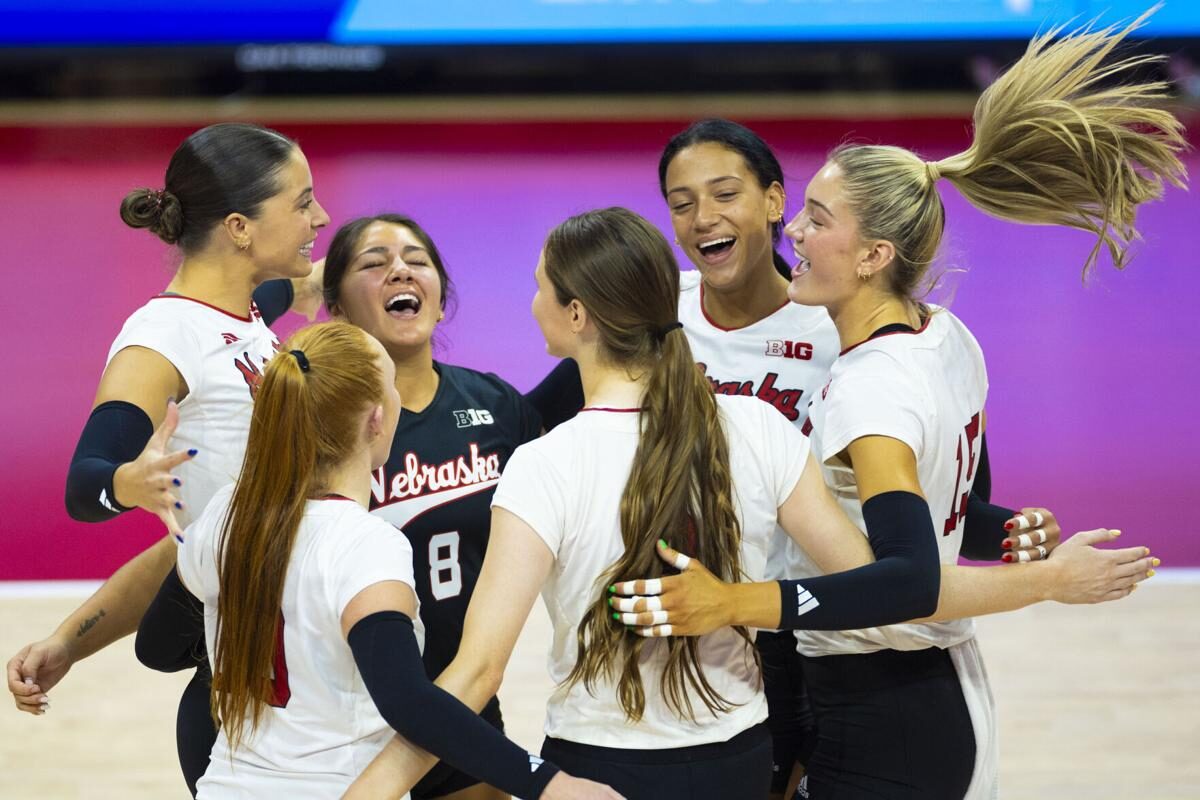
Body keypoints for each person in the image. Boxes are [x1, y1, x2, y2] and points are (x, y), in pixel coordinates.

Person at [344, 207, 1153, 800]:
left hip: (598, 768)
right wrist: (1046, 579)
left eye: (538, 289)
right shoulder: (759, 427)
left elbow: (475, 674)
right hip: (740, 761)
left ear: (577, 316)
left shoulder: (543, 467)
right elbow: (887, 595)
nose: (530, 304)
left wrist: (504, 784)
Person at [610, 13, 1184, 799]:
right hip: (917, 682)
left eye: (816, 218)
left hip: (884, 698)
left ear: (876, 255)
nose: (798, 233)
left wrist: (733, 601)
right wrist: (1012, 532)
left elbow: (910, 574)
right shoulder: (949, 337)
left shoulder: (864, 386)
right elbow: (948, 508)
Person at [134, 321, 620, 800]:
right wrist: (548, 783)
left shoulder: (226, 515)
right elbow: (409, 702)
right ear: (376, 419)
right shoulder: (365, 543)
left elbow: (156, 649)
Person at [5, 122, 330, 795]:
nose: (319, 217)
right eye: (301, 202)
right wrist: (125, 482)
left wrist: (69, 640)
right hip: (246, 711)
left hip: (297, 680)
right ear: (239, 227)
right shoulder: (160, 341)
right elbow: (84, 483)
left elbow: (196, 544)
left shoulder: (244, 314)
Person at [321, 213, 543, 800]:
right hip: (341, 723)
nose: (400, 269)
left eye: (417, 260)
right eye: (374, 263)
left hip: (461, 703)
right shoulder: (316, 425)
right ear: (336, 311)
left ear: (441, 300)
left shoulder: (496, 405)